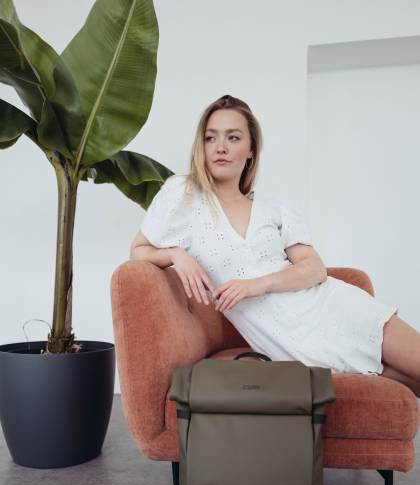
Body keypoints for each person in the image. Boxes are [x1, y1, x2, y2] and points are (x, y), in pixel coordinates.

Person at [130, 94, 420, 395]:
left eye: (233, 137)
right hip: (291, 342)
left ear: (251, 150)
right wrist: (176, 255)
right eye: (210, 137)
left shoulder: (274, 208)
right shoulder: (182, 194)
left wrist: (256, 285)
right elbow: (138, 250)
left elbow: (314, 269)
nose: (220, 147)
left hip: (334, 307)